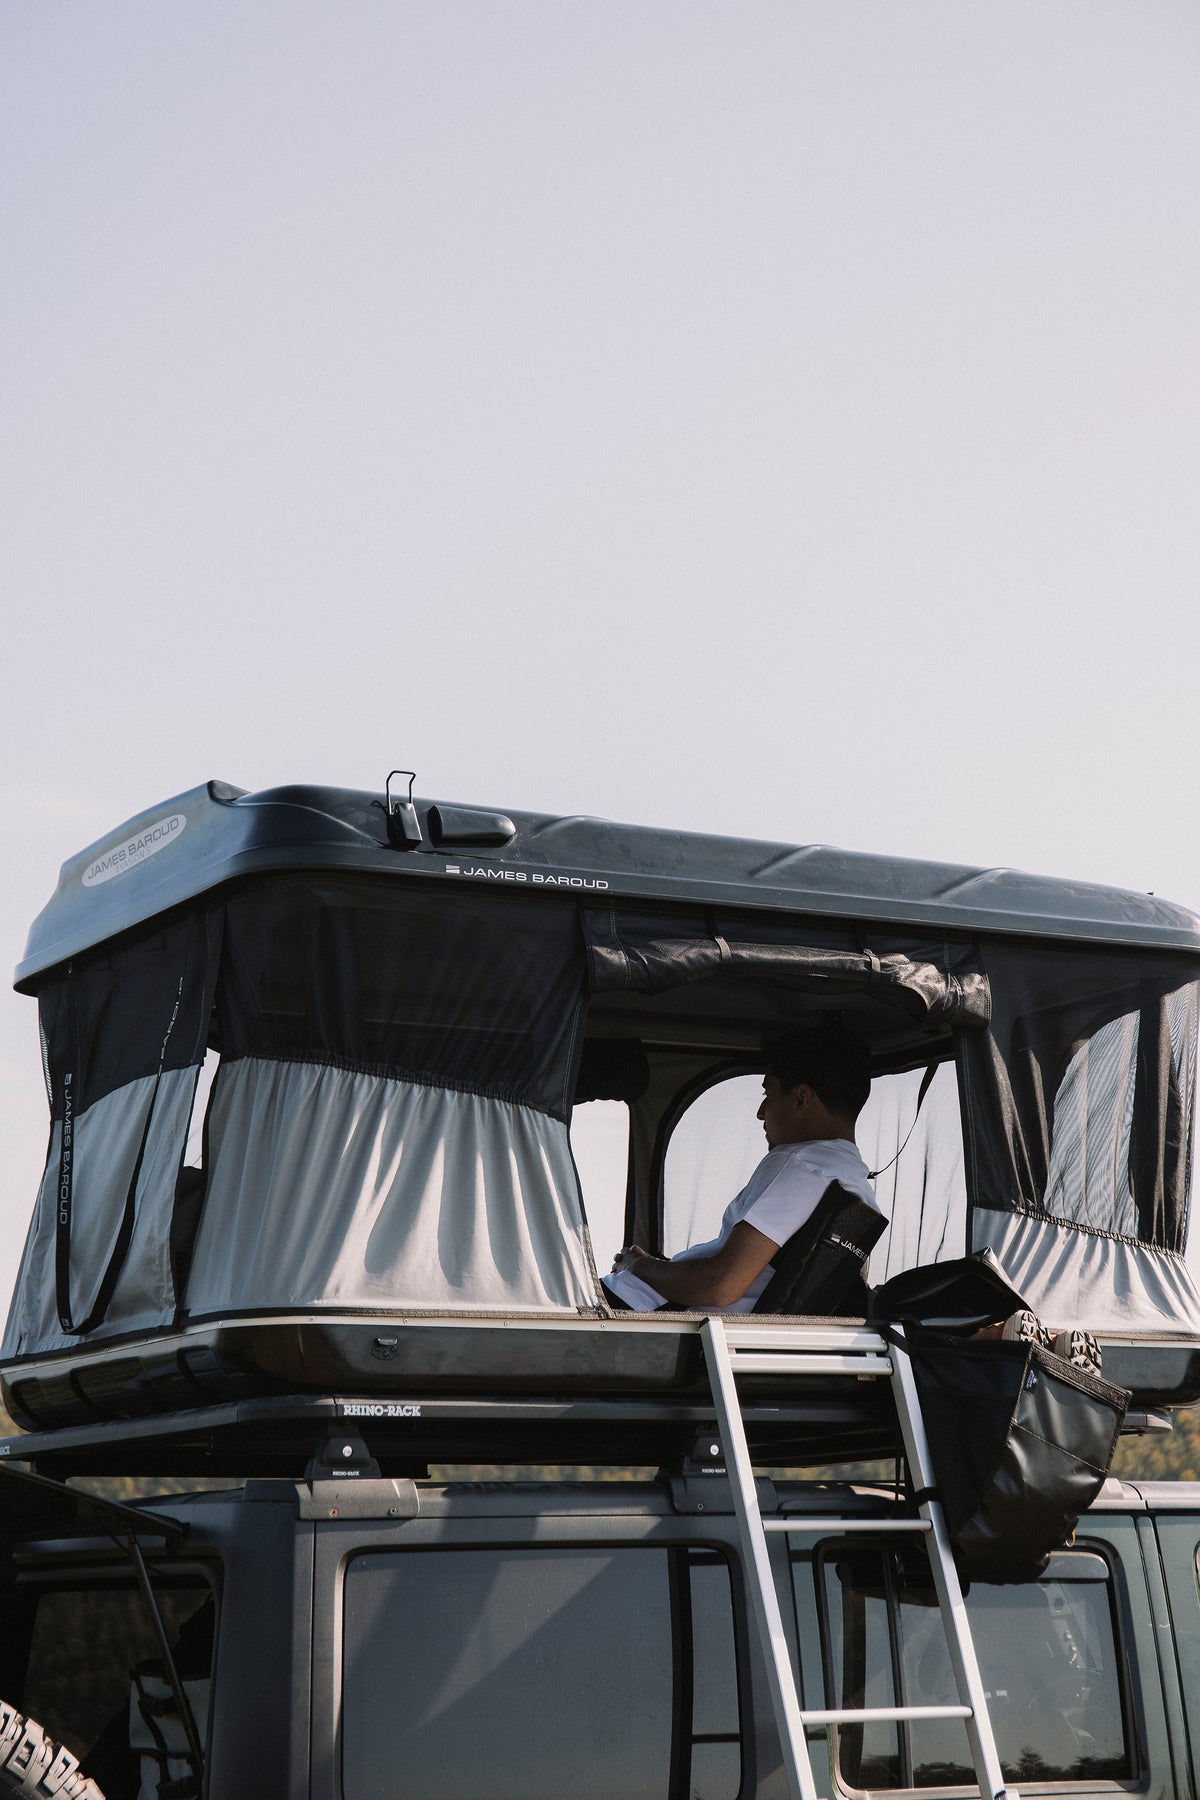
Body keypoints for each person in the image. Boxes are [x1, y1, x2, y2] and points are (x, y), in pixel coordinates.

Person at [602, 1025, 880, 1313]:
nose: (761, 1112)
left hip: (635, 1314)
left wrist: (638, 1265)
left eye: (768, 1094)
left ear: (801, 1098)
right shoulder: (855, 1184)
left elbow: (721, 1285)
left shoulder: (801, 1164)